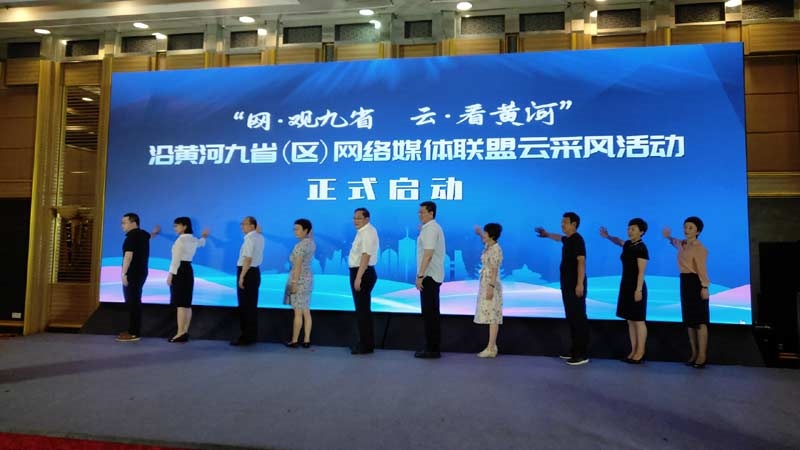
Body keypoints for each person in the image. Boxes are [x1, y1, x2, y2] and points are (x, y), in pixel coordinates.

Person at [535, 212, 589, 366]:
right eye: (562, 222)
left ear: (574, 224)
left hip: (575, 286)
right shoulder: (569, 239)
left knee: (578, 319)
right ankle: (574, 350)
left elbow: (581, 262)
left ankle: (581, 354)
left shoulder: (577, 240)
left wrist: (580, 284)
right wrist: (547, 234)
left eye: (565, 222)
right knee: (571, 318)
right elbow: (559, 238)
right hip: (567, 285)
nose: (562, 224)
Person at [663, 217, 711, 369]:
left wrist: (705, 287)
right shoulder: (683, 244)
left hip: (696, 283)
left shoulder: (699, 248)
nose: (686, 230)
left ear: (698, 231)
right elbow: (675, 241)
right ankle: (694, 353)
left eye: (690, 227)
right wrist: (668, 237)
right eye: (685, 227)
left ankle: (702, 355)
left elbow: (702, 269)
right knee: (690, 320)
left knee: (700, 320)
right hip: (685, 282)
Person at [600, 218, 649, 364]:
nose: (629, 231)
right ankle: (633, 351)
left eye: (633, 229)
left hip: (636, 287)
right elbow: (619, 241)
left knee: (638, 320)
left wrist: (638, 290)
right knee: (630, 320)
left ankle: (641, 352)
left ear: (641, 232)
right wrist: (608, 236)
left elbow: (641, 272)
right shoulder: (628, 244)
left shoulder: (642, 248)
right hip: (626, 286)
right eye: (628, 228)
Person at [117, 213, 159, 342]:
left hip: (132, 273)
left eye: (124, 222)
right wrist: (154, 233)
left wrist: (124, 274)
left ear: (133, 222)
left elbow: (128, 256)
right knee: (135, 301)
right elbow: (149, 236)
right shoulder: (143, 234)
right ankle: (132, 330)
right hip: (141, 272)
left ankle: (134, 333)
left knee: (133, 302)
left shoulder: (131, 237)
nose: (122, 225)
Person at [166, 217, 209, 343]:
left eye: (177, 225)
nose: (175, 228)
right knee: (186, 303)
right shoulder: (193, 239)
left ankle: (179, 333)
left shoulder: (181, 240)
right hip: (188, 270)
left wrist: (170, 275)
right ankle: (184, 331)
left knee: (180, 303)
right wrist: (204, 237)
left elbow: (176, 260)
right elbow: (201, 243)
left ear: (184, 226)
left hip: (179, 270)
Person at [415, 201, 446, 359]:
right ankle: (432, 347)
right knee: (431, 314)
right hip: (432, 276)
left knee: (429, 315)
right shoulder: (430, 228)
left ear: (431, 213)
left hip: (429, 277)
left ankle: (432, 349)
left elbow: (428, 254)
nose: (419, 214)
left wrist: (420, 275)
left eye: (422, 212)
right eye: (419, 212)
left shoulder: (431, 229)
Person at [348, 208, 379, 355]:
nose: (355, 221)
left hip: (362, 272)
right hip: (362, 271)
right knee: (362, 310)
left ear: (367, 219)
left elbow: (366, 256)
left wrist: (358, 277)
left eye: (359, 218)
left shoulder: (367, 232)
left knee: (363, 311)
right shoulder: (363, 231)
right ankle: (366, 343)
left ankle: (365, 346)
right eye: (354, 218)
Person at [231, 216, 265, 346]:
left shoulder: (250, 239)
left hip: (247, 272)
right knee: (251, 306)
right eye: (241, 223)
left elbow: (248, 259)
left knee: (245, 306)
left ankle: (245, 337)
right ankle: (251, 336)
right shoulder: (259, 237)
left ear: (252, 226)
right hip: (255, 272)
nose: (242, 226)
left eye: (244, 224)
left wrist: (242, 276)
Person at [473, 223, 504, 358]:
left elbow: (494, 270)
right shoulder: (489, 245)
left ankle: (491, 348)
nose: (483, 235)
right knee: (490, 314)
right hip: (485, 282)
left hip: (491, 284)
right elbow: (484, 240)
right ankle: (492, 346)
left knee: (493, 316)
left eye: (485, 232)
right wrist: (480, 232)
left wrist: (491, 287)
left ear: (491, 235)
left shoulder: (496, 249)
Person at [284, 218, 316, 349]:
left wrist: (294, 283)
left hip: (299, 279)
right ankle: (307, 340)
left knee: (297, 312)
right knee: (306, 310)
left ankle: (295, 340)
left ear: (305, 230)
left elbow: (297, 266)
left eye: (298, 229)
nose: (295, 231)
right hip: (308, 278)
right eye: (294, 229)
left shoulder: (300, 246)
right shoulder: (311, 243)